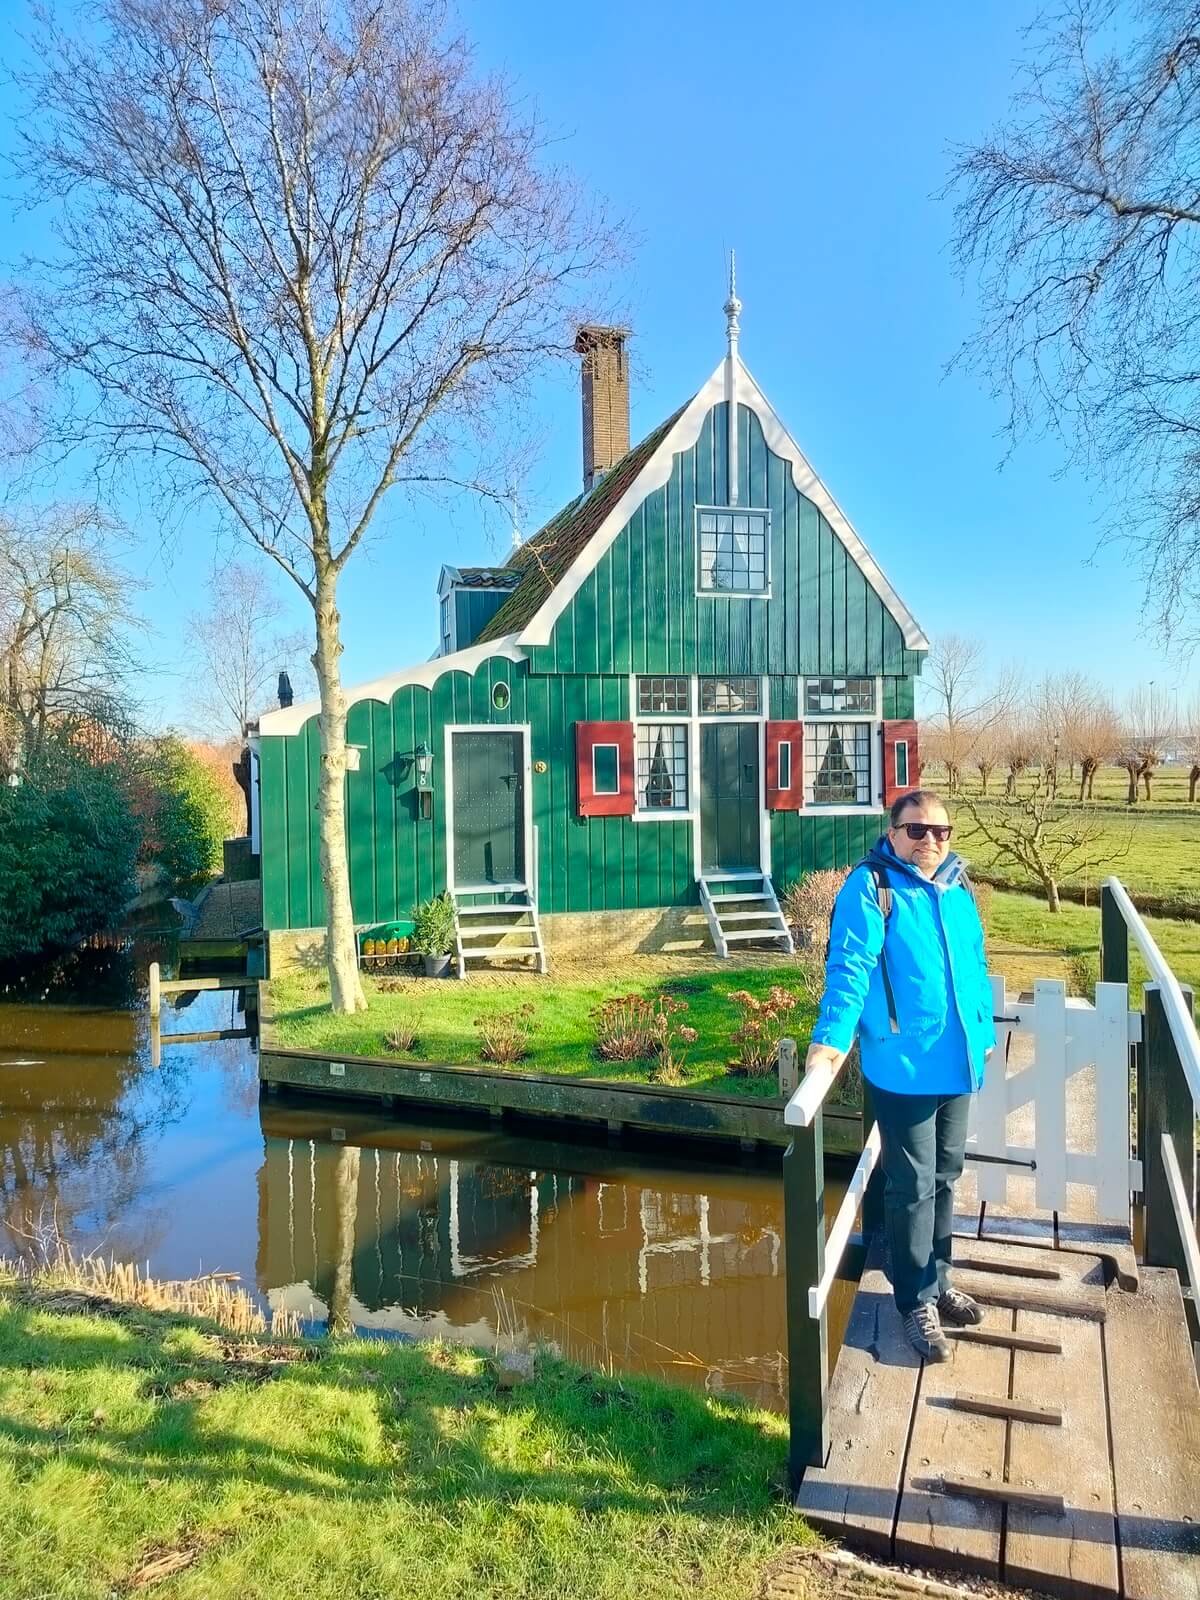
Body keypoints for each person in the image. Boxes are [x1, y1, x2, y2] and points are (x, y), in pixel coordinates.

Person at [805, 789, 995, 1362]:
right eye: (917, 830)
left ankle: (938, 1279)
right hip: (903, 1064)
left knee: (946, 1173)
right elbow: (850, 967)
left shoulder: (958, 886)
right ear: (893, 833)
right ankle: (914, 1299)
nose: (930, 841)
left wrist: (982, 1031)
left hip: (956, 1060)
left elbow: (975, 963)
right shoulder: (872, 887)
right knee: (911, 1184)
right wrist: (830, 1042)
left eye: (941, 831)